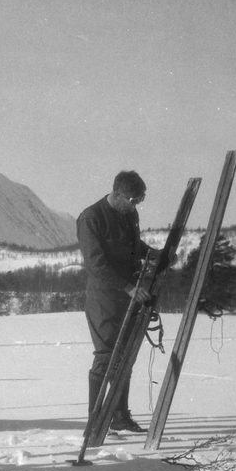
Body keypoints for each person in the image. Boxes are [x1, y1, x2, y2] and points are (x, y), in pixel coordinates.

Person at [77, 170, 154, 434]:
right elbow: (95, 264)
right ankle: (96, 420)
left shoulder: (130, 214)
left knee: (125, 356)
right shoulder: (91, 218)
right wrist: (127, 287)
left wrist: (155, 254)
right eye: (133, 200)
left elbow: (133, 246)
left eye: (140, 200)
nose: (136, 206)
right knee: (106, 355)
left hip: (130, 296)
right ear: (117, 194)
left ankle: (119, 415)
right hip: (105, 299)